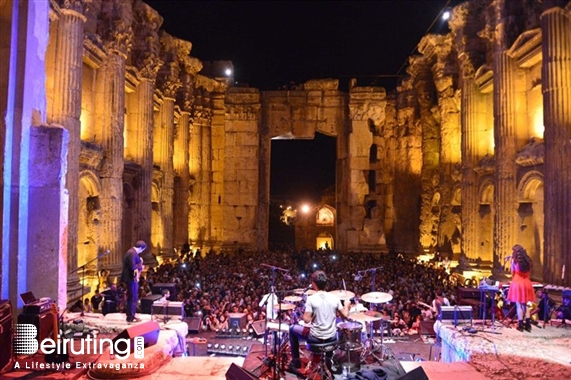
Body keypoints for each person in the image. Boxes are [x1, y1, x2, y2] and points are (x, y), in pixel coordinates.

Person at [287, 270, 350, 375]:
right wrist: (347, 305)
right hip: (332, 338)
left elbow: (306, 319)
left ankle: (296, 361)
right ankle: (328, 358)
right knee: (330, 331)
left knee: (292, 328)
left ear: (313, 283)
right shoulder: (335, 298)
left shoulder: (311, 299)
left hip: (316, 338)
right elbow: (345, 316)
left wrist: (313, 313)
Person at [506, 244, 535, 332]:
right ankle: (528, 325)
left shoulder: (514, 261)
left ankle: (521, 325)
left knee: (519, 305)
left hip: (518, 283)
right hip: (527, 283)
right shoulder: (528, 261)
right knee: (525, 304)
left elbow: (512, 273)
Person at [121, 240, 146, 322]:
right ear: (141, 248)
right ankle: (130, 316)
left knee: (134, 297)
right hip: (130, 278)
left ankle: (131, 315)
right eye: (142, 250)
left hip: (132, 278)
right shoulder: (132, 253)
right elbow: (132, 266)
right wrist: (141, 263)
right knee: (132, 297)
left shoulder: (132, 252)